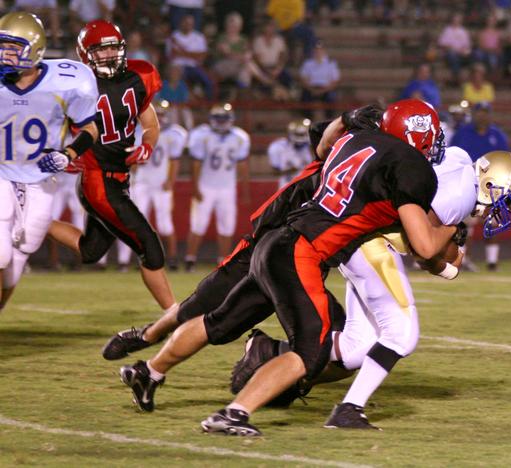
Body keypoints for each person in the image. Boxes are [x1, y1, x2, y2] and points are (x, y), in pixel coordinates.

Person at [118, 99, 457, 437]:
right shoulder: (411, 165)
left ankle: (149, 371)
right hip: (302, 254)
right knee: (311, 352)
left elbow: (323, 147)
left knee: (218, 321)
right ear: (417, 134)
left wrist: (346, 119)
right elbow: (425, 247)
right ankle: (233, 414)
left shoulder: (355, 139)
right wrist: (453, 226)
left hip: (276, 241)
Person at [230, 149, 511, 429]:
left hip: (359, 238)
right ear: (490, 183)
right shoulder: (460, 195)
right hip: (370, 244)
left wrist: (449, 256)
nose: (499, 211)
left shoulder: (458, 160)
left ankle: (269, 351)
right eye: (504, 201)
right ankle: (349, 410)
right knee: (403, 333)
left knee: (356, 348)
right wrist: (449, 253)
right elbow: (423, 249)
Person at [101, 108, 379, 361]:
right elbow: (321, 136)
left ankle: (264, 361)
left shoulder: (364, 183)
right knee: (204, 309)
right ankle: (149, 339)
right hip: (266, 247)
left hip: (303, 265)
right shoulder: (329, 161)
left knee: (328, 334)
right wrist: (346, 119)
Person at [48, 20, 178, 316]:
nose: (108, 55)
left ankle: (34, 222)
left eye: (112, 48)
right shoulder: (76, 86)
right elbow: (48, 124)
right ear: (85, 55)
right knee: (150, 249)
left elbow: (150, 124)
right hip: (98, 183)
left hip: (119, 180)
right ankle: (175, 317)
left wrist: (147, 145)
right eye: (100, 50)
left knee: (91, 250)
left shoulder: (138, 76)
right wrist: (64, 152)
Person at [0, 11, 99, 311]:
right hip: (2, 172)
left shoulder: (67, 81)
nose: (4, 54)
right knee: (1, 254)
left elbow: (90, 128)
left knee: (20, 257)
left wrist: (68, 154)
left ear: (35, 49)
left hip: (40, 178)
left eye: (12, 48)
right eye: (2, 46)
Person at [116, 100, 187, 272]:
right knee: (136, 222)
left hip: (161, 183)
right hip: (142, 182)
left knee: (165, 224)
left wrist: (170, 181)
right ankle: (133, 260)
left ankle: (172, 258)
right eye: (157, 114)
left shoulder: (174, 133)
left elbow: (175, 161)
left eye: (162, 114)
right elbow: (131, 160)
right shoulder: (137, 131)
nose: (159, 118)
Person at [184, 103, 250, 270]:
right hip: (206, 186)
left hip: (227, 188)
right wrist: (195, 187)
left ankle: (223, 262)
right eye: (218, 118)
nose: (221, 122)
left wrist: (244, 189)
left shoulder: (240, 137)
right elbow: (196, 164)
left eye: (223, 118)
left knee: (226, 226)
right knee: (198, 225)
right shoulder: (202, 135)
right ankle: (190, 260)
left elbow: (242, 165)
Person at [450, 101, 510, 271]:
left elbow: (505, 160)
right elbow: (451, 157)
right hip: (467, 181)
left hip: (491, 184)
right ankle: (462, 259)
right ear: (474, 114)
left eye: (485, 112)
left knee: (493, 221)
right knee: (465, 222)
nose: (482, 116)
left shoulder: (497, 135)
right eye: (479, 112)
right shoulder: (462, 133)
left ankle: (492, 261)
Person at [299, 41, 340, 120]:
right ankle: (308, 119)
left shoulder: (331, 64)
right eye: (316, 50)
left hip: (326, 89)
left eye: (320, 50)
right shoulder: (307, 64)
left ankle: (329, 120)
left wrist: (323, 91)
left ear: (324, 51)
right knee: (304, 98)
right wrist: (312, 89)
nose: (318, 52)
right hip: (311, 88)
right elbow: (303, 79)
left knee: (331, 98)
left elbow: (335, 81)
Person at [267, 119, 314, 188]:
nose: (301, 137)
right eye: (299, 134)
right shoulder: (279, 147)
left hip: (307, 186)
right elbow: (274, 172)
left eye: (303, 134)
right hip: (287, 186)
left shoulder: (310, 147)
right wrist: (290, 170)